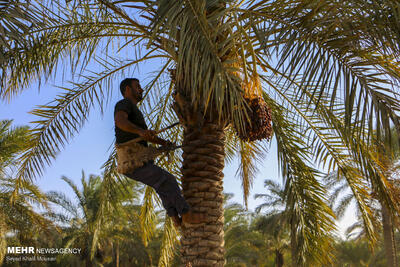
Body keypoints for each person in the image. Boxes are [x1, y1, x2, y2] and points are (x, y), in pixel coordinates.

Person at [114, 78, 205, 227]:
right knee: (168, 180)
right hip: (132, 160)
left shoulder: (134, 109)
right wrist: (140, 131)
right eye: (137, 86)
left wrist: (164, 143)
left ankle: (176, 219)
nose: (141, 89)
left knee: (161, 185)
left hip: (137, 160)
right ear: (127, 90)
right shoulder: (124, 104)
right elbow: (120, 121)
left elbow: (145, 136)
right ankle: (187, 215)